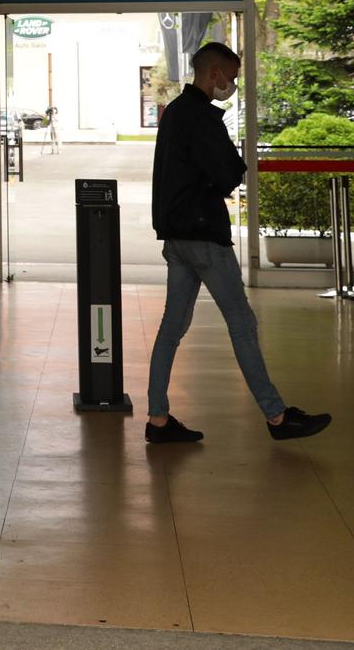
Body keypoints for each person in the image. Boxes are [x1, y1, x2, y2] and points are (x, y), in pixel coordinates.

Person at [144, 41, 331, 445]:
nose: (231, 84)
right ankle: (278, 417)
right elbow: (230, 171)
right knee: (242, 323)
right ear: (214, 73)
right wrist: (222, 174)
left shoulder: (175, 112)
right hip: (204, 237)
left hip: (176, 237)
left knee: (171, 328)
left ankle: (158, 418)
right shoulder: (202, 117)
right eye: (230, 76)